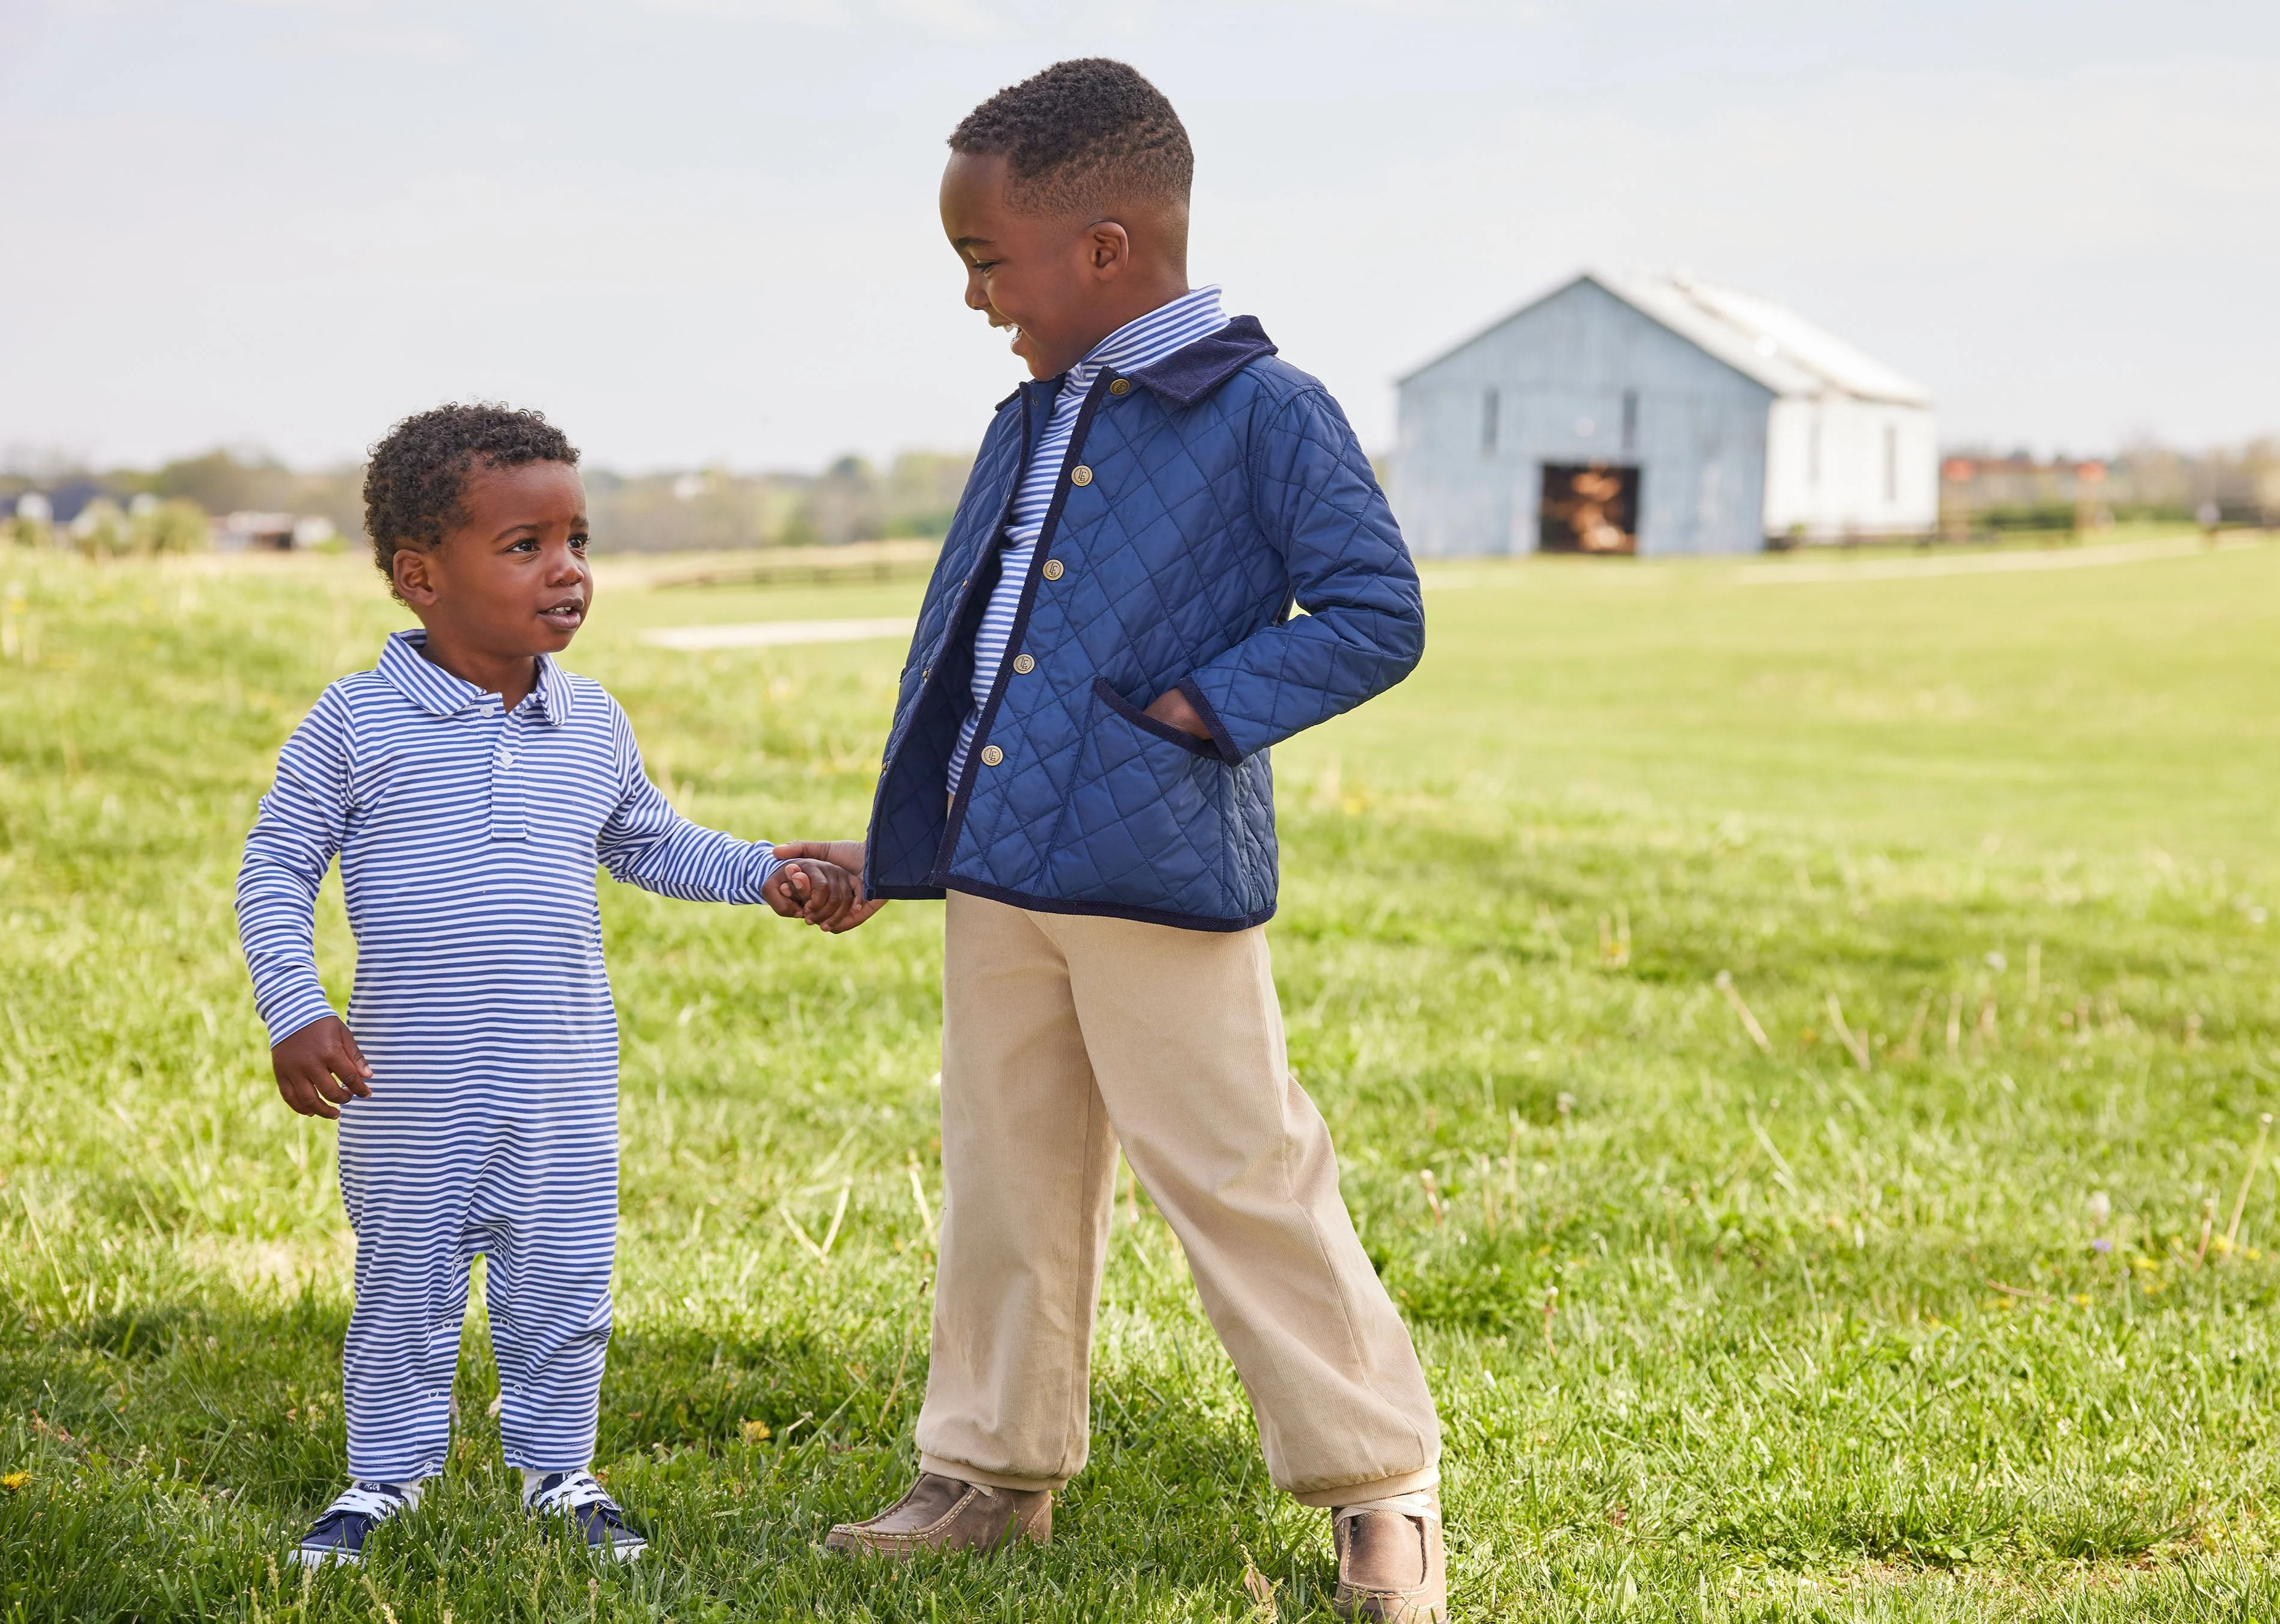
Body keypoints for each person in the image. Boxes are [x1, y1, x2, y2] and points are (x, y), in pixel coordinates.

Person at [786, 58, 1445, 1623]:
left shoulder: (1264, 409)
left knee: (1237, 1170)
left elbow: (1375, 613)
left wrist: (1199, 712)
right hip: (997, 879)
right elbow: (970, 646)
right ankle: (989, 1464)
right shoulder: (1030, 414)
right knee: (1005, 1171)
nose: (972, 296)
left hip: (1158, 875)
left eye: (984, 259)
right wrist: (906, 833)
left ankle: (1378, 1486)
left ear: (1101, 244)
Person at [235, 403, 873, 1568]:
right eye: (523, 546)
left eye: (577, 540)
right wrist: (296, 1008)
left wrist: (766, 875)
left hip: (562, 1076)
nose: (567, 572)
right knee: (404, 1288)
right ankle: (384, 1480)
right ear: (421, 575)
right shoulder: (356, 720)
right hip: (407, 1085)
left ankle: (556, 1470)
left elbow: (646, 839)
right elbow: (275, 868)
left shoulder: (589, 722)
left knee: (565, 1284)